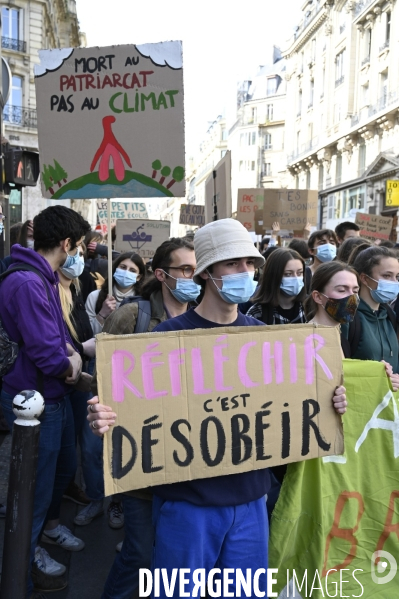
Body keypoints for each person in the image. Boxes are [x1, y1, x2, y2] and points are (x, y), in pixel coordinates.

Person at [88, 219, 347, 599]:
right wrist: (106, 418)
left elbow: (293, 406)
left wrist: (332, 403)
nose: (245, 272)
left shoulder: (266, 338)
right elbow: (130, 415)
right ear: (207, 272)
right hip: (186, 505)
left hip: (251, 502)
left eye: (249, 264)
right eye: (233, 264)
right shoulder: (164, 339)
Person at [89, 236, 198, 599]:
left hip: (187, 460)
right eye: (184, 269)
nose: (191, 277)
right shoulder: (133, 315)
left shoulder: (205, 317)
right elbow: (102, 376)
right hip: (140, 459)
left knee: (166, 553)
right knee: (137, 552)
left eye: (197, 270)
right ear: (162, 274)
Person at [0, 205, 91, 597]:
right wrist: (72, 362)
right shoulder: (28, 283)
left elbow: (61, 341)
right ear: (67, 243)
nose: (81, 255)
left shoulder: (42, 276)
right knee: (33, 488)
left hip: (53, 394)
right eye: (81, 246)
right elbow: (52, 356)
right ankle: (23, 562)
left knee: (61, 469)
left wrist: (75, 355)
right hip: (37, 398)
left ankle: (46, 531)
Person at [343, 246, 399, 385]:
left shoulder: (389, 315)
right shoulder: (347, 317)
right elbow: (337, 369)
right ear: (364, 278)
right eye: (387, 276)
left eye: (397, 276)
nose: (394, 282)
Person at [85, 252, 145, 336]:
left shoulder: (143, 303)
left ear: (138, 277)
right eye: (123, 267)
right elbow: (86, 333)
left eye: (132, 271)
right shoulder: (94, 296)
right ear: (115, 269)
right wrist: (102, 315)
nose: (126, 272)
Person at [247, 247, 307, 324]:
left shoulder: (310, 308)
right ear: (274, 276)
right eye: (288, 274)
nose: (296, 278)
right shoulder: (257, 314)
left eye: (299, 273)